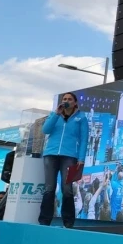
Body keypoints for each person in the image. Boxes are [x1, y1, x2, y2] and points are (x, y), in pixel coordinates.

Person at [39, 92, 89, 228]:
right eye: (64, 99)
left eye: (70, 99)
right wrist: (56, 114)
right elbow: (45, 130)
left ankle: (68, 222)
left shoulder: (81, 117)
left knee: (67, 189)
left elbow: (84, 139)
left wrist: (81, 158)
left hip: (69, 156)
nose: (67, 101)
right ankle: (44, 221)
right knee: (49, 188)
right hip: (51, 154)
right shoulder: (54, 115)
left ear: (75, 102)